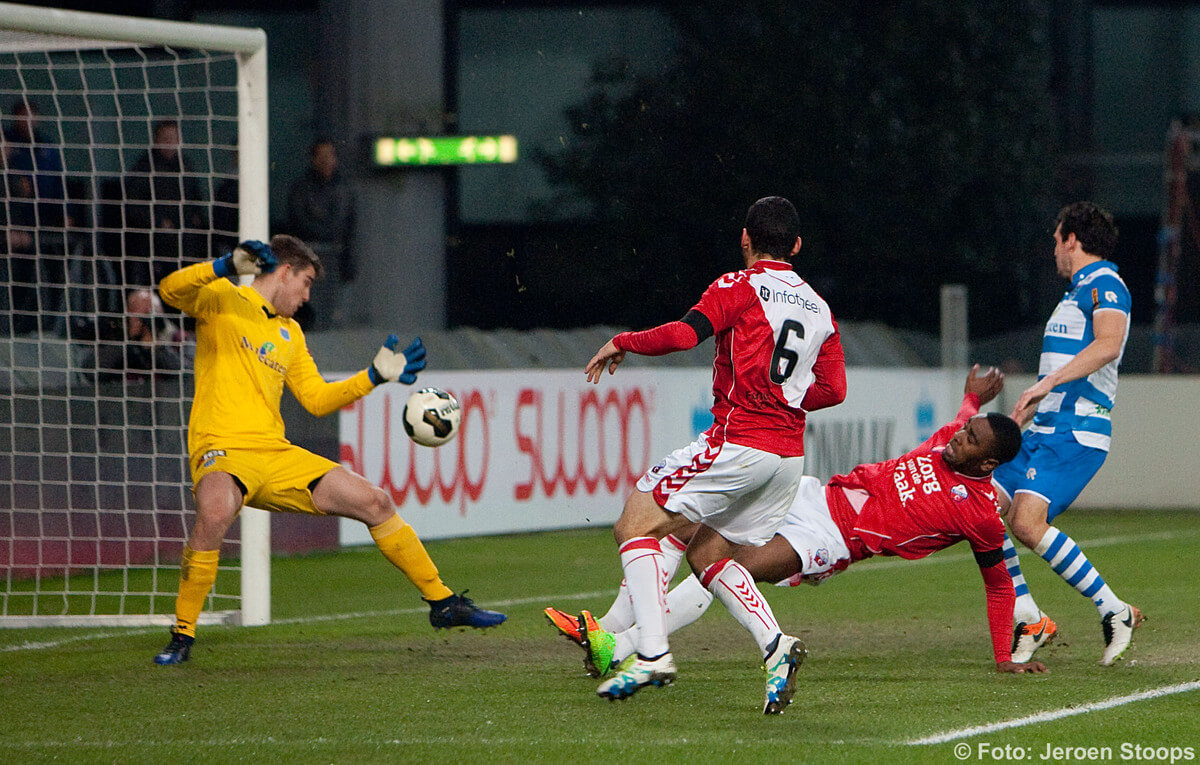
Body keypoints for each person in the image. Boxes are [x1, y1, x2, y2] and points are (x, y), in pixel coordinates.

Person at [548, 366, 1047, 683]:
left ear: (986, 466)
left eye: (972, 440)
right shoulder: (946, 442)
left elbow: (999, 584)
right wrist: (971, 399)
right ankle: (611, 631)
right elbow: (963, 417)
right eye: (965, 431)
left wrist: (1005, 657)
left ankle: (626, 646)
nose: (960, 438)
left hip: (832, 539)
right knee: (687, 527)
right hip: (813, 494)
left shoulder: (980, 513)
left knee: (723, 567)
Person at [152, 235, 505, 666]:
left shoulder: (289, 332)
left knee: (375, 501)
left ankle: (444, 603)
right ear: (283, 272)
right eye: (305, 282)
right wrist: (225, 264)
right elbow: (170, 290)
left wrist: (373, 376)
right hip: (222, 449)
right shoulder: (223, 300)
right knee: (216, 511)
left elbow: (316, 398)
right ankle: (182, 633)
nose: (305, 296)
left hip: (275, 455)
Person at [582, 196, 846, 713]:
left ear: (745, 239)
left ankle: (654, 653)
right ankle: (776, 646)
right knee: (707, 554)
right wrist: (786, 398)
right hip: (787, 458)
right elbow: (833, 388)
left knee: (634, 525)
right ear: (796, 245)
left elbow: (684, 334)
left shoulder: (738, 285)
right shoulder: (818, 306)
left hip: (739, 441)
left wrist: (624, 341)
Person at [992, 202, 1142, 667]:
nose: (1054, 248)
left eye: (1057, 238)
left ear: (1072, 239)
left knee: (1025, 524)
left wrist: (1049, 383)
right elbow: (1065, 363)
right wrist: (1029, 408)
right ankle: (1029, 616)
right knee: (977, 503)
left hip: (1078, 430)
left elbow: (1108, 344)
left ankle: (1114, 610)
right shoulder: (1076, 292)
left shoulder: (1105, 284)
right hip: (1046, 428)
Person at [123, 119, 209, 286]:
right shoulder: (143, 168)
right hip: (155, 245)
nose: (171, 143)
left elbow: (196, 198)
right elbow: (133, 205)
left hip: (186, 243)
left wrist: (197, 219)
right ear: (156, 140)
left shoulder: (185, 165)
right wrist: (157, 222)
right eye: (166, 138)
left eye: (174, 138)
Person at [286, 139, 356, 330]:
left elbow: (349, 228)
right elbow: (299, 221)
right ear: (313, 159)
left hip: (336, 258)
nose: (327, 161)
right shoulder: (301, 188)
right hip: (310, 257)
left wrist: (348, 260)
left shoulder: (344, 190)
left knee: (334, 310)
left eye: (331, 155)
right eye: (322, 156)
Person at [96, 288, 190, 382]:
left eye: (148, 312)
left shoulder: (179, 339)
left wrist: (156, 349)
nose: (143, 320)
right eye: (136, 312)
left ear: (160, 314)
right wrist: (129, 342)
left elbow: (189, 375)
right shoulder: (116, 337)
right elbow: (91, 371)